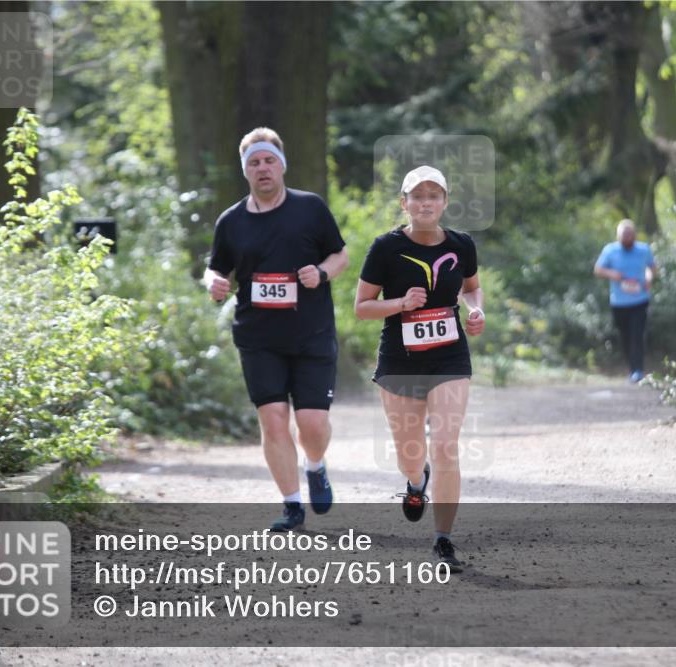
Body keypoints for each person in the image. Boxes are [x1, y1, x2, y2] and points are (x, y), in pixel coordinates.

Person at [204, 127, 349, 531]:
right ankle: (291, 505)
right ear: (245, 170)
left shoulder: (310, 208)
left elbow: (341, 255)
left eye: (269, 160)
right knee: (272, 419)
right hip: (258, 337)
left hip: (312, 333)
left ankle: (315, 465)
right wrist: (212, 282)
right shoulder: (231, 221)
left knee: (313, 425)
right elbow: (217, 267)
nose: (262, 168)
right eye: (254, 162)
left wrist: (320, 273)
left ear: (281, 165)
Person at [354, 165, 485, 572]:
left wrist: (477, 309)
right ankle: (415, 482)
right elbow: (361, 307)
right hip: (399, 359)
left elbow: (471, 286)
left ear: (445, 202)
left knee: (446, 445)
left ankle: (443, 540)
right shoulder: (385, 248)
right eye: (418, 195)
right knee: (410, 455)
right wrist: (399, 304)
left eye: (434, 195)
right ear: (404, 203)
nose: (425, 202)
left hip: (449, 357)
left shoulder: (462, 244)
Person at [594, 219, 657, 383]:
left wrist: (649, 278)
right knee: (625, 336)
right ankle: (632, 368)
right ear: (618, 236)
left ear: (635, 235)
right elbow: (598, 269)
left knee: (637, 334)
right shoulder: (610, 250)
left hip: (640, 299)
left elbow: (652, 268)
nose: (627, 238)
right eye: (624, 235)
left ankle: (638, 370)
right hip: (619, 302)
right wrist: (613, 274)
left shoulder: (644, 249)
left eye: (630, 234)